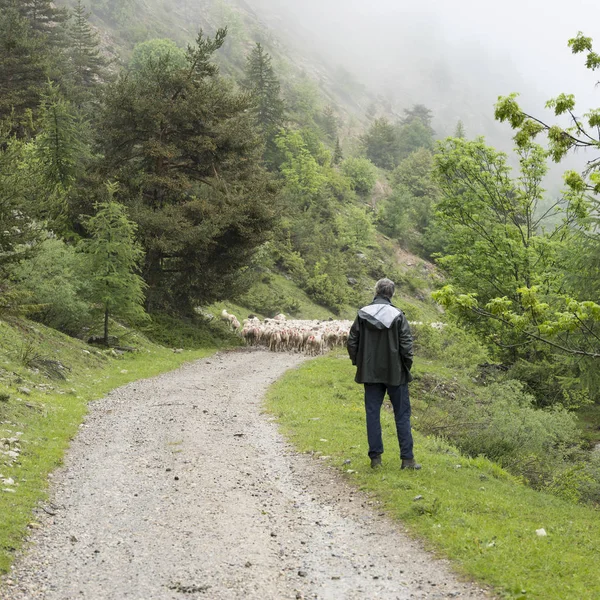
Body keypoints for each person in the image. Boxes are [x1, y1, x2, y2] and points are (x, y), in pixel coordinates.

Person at [347, 278, 421, 470]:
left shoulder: (362, 314)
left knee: (372, 413)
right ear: (391, 293)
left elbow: (352, 342)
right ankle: (407, 459)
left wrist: (359, 363)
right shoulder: (398, 315)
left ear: (376, 291)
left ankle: (376, 459)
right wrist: (406, 366)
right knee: (402, 414)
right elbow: (406, 345)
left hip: (370, 373)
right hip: (396, 373)